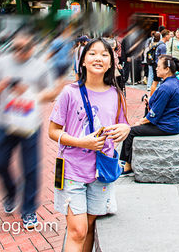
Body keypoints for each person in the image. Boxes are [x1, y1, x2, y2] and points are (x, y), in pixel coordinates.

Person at [48, 38, 130, 252]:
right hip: (72, 170)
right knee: (78, 230)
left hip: (101, 171)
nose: (98, 58)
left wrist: (125, 129)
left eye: (105, 54)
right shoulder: (70, 92)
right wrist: (80, 142)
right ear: (82, 60)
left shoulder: (116, 94)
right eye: (92, 53)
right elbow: (53, 131)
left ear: (111, 62)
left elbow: (123, 123)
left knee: (91, 225)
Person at [0, 29, 65, 229]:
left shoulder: (40, 66)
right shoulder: (0, 64)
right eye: (16, 48)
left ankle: (29, 209)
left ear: (33, 47)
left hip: (29, 124)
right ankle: (11, 192)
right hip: (3, 122)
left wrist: (30, 93)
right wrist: (3, 86)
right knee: (0, 163)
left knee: (31, 168)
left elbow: (50, 93)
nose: (21, 52)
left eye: (25, 48)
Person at [121, 55, 179, 173]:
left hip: (167, 126)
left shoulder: (166, 87)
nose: (156, 68)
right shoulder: (175, 82)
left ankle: (127, 164)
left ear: (166, 69)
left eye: (159, 66)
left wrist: (140, 122)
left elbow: (154, 114)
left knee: (130, 131)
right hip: (175, 123)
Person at [150, 30, 170, 95]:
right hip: (158, 65)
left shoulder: (158, 43)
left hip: (155, 64)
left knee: (155, 82)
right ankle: (151, 98)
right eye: (169, 35)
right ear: (166, 36)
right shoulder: (163, 46)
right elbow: (162, 58)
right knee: (156, 82)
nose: (170, 37)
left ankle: (151, 97)